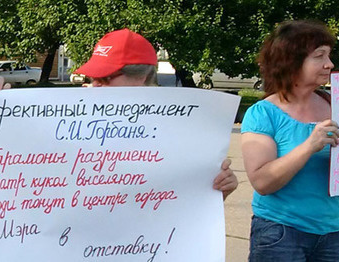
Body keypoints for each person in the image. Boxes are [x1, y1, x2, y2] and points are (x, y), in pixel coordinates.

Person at [73, 28, 238, 199]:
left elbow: (187, 205)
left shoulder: (181, 131)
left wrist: (218, 189)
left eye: (105, 78)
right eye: (93, 78)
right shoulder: (71, 127)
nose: (96, 85)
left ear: (141, 77)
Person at [241, 20, 339, 261]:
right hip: (281, 233)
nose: (329, 64)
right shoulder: (263, 113)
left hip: (332, 231)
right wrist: (310, 145)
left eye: (329, 55)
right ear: (292, 61)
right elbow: (262, 182)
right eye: (319, 56)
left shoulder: (337, 105)